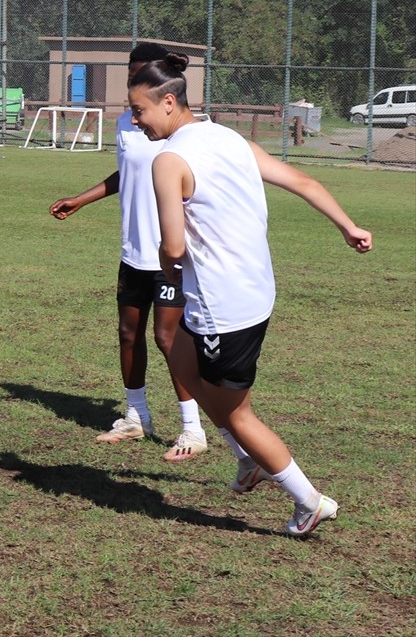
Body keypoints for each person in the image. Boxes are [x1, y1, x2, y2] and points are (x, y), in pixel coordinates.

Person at [129, 52, 372, 536]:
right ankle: (247, 461)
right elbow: (301, 179)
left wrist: (161, 267)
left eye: (140, 111)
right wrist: (348, 226)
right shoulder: (228, 138)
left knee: (239, 414)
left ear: (170, 102)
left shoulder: (168, 160)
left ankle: (308, 501)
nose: (136, 121)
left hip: (224, 306)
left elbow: (173, 247)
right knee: (178, 353)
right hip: (256, 290)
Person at [50, 42, 207, 461]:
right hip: (134, 251)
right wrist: (82, 199)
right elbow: (128, 172)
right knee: (128, 334)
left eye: (138, 76)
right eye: (129, 76)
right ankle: (136, 417)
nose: (131, 85)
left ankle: (192, 428)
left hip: (173, 254)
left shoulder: (190, 131)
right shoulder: (126, 123)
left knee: (168, 338)